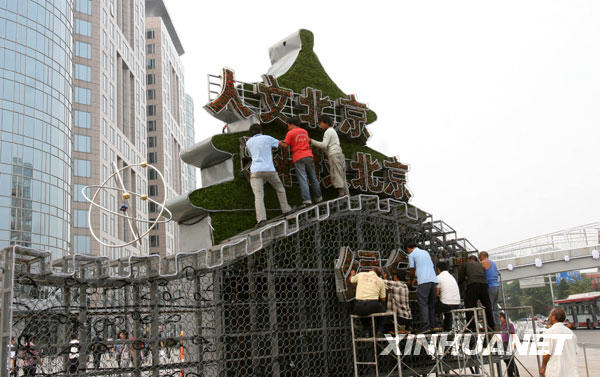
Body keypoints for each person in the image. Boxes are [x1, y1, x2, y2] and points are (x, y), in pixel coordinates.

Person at [246, 123, 292, 226]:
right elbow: (283, 145)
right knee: (280, 189)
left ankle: (261, 219)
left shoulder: (248, 142)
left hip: (255, 171)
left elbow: (250, 155)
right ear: (261, 131)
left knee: (258, 196)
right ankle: (286, 210)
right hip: (269, 169)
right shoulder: (267, 138)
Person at [280, 117, 322, 205]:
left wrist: (277, 142)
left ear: (291, 124)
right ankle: (319, 198)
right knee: (313, 178)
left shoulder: (290, 133)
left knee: (303, 178)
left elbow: (285, 145)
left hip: (298, 157)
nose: (287, 126)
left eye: (288, 124)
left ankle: (307, 200)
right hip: (309, 156)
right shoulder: (304, 131)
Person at [310, 115, 348, 197]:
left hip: (334, 154)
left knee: (336, 173)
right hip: (339, 153)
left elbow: (324, 145)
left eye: (321, 123)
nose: (320, 125)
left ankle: (341, 195)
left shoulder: (328, 131)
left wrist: (311, 141)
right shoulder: (333, 131)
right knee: (341, 174)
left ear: (325, 123)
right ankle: (346, 194)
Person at [407, 242, 439, 333]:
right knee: (431, 304)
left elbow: (412, 270)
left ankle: (426, 327)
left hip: (424, 282)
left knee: (423, 303)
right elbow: (427, 267)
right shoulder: (425, 252)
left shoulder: (411, 254)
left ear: (408, 248)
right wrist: (418, 278)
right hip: (433, 280)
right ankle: (432, 326)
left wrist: (410, 281)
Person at [458, 255, 495, 331]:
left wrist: (461, 281)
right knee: (487, 306)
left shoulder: (466, 264)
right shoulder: (480, 264)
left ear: (469, 260)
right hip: (484, 285)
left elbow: (460, 278)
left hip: (473, 285)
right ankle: (492, 325)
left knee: (470, 305)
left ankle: (472, 327)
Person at [540, 308, 579, 377]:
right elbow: (575, 352)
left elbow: (547, 354)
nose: (548, 318)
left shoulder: (550, 332)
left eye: (550, 316)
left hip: (555, 372)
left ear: (554, 317)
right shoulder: (571, 333)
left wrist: (543, 367)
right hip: (571, 372)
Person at [349, 267, 387, 336]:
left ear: (371, 270)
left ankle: (366, 330)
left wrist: (352, 274)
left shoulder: (361, 274)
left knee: (364, 313)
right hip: (373, 305)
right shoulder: (380, 280)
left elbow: (351, 280)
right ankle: (379, 330)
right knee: (383, 312)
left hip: (359, 306)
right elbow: (383, 299)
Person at [436, 262, 461, 331]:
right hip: (457, 303)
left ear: (438, 269)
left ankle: (436, 325)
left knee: (432, 305)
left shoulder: (438, 277)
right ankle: (448, 328)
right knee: (447, 307)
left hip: (447, 304)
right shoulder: (451, 276)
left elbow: (436, 293)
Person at [480, 251, 501, 328]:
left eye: (479, 257)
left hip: (490, 286)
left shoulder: (483, 262)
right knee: (495, 307)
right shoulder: (493, 263)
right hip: (496, 286)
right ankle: (497, 325)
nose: (479, 259)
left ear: (482, 256)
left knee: (489, 307)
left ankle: (491, 326)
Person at [499, 312, 520, 377]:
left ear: (504, 318)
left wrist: (514, 344)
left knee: (510, 361)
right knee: (506, 360)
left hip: (508, 343)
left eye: (501, 317)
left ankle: (514, 375)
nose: (500, 319)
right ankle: (513, 374)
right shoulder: (500, 326)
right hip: (502, 344)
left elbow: (513, 334)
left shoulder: (509, 325)